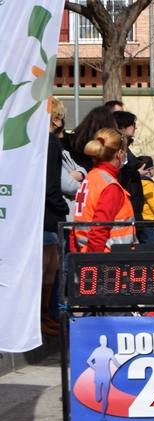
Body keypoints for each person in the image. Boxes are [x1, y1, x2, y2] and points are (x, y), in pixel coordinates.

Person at [71, 127, 135, 253]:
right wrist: (94, 265)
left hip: (83, 255)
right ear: (120, 154)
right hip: (109, 261)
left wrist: (76, 258)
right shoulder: (109, 186)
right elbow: (99, 230)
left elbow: (76, 224)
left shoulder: (90, 178)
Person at [43, 100, 70, 339]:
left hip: (38, 213)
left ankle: (45, 318)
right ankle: (45, 318)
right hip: (49, 215)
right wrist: (62, 207)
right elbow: (51, 184)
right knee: (49, 270)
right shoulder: (51, 142)